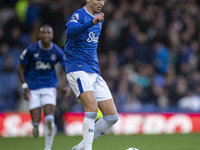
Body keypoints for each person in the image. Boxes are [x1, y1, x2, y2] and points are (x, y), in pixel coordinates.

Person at [64, 1, 119, 150]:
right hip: (78, 68)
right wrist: (91, 22)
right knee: (92, 110)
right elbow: (69, 32)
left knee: (112, 116)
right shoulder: (79, 15)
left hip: (93, 70)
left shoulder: (98, 20)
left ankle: (81, 147)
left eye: (103, 0)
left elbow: (90, 46)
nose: (101, 2)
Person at [17, 24, 65, 150]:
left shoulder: (56, 51)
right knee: (36, 120)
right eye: (43, 33)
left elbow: (66, 67)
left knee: (49, 118)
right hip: (33, 87)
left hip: (49, 86)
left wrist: (67, 85)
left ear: (52, 35)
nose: (46, 35)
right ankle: (36, 125)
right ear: (39, 35)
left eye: (48, 33)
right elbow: (20, 67)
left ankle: (47, 147)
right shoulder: (32, 50)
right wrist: (24, 86)